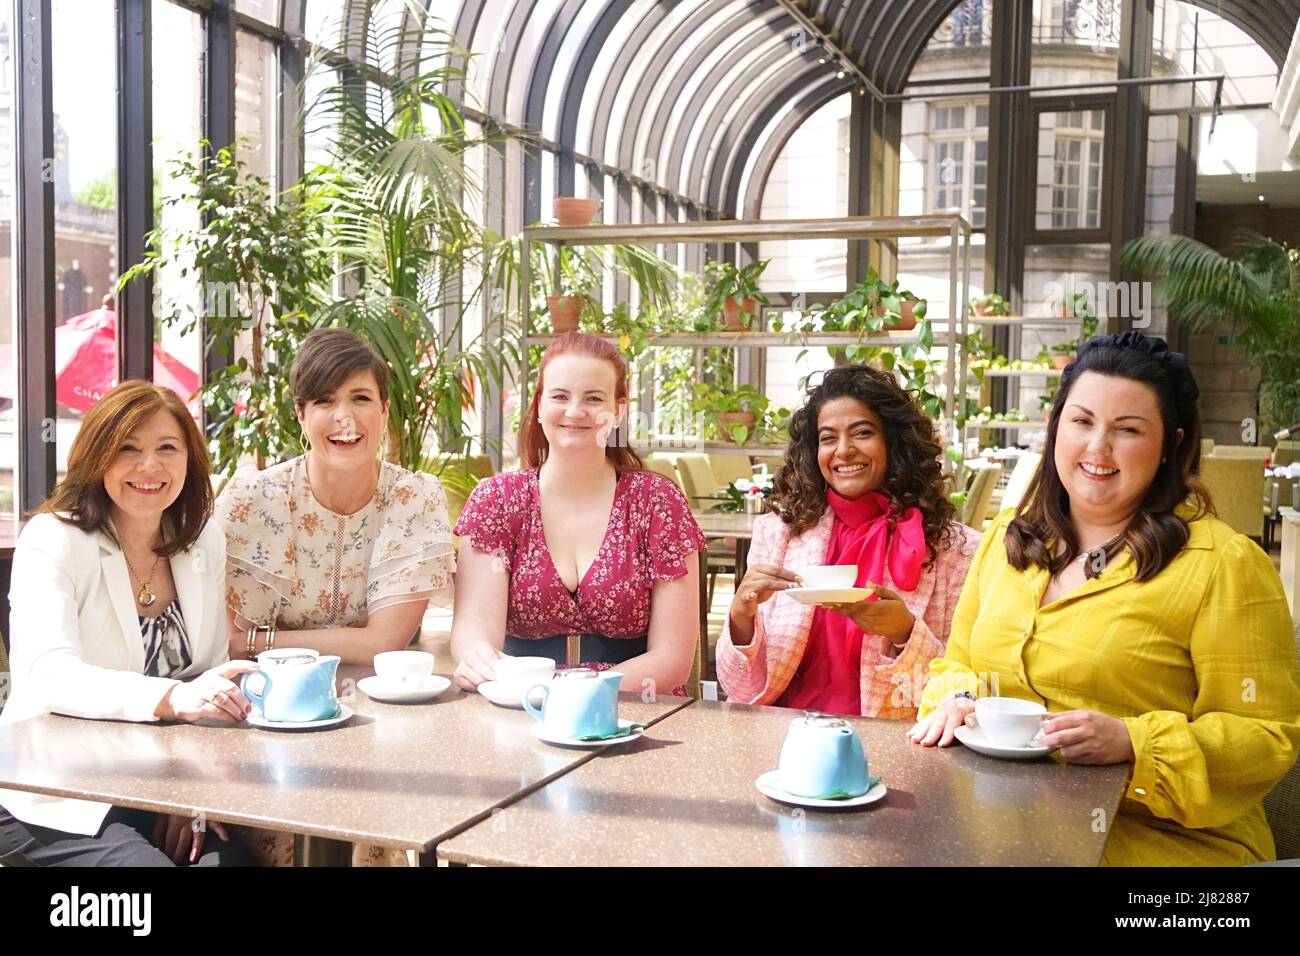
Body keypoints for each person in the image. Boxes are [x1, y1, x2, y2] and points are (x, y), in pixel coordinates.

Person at [910, 332, 1300, 865]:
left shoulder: (1223, 564)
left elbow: (1266, 735)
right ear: (1055, 428)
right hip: (1003, 824)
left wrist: (1135, 744)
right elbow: (957, 662)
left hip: (1156, 842)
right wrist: (959, 700)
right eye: (1082, 421)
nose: (1098, 448)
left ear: (1172, 445)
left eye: (1128, 430)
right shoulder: (1009, 538)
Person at [0, 380, 255, 866]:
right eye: (128, 449)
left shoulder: (203, 540)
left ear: (189, 461)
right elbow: (50, 676)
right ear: (97, 458)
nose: (149, 466)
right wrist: (174, 698)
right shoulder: (52, 539)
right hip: (53, 787)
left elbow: (213, 678)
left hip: (160, 782)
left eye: (167, 448)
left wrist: (191, 791)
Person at [716, 364, 978, 719]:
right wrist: (740, 619)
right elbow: (739, 688)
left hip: (895, 743)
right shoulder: (779, 534)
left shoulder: (955, 550)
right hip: (785, 732)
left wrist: (904, 633)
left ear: (894, 442)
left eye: (862, 433)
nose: (843, 450)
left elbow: (962, 693)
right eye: (827, 438)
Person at [451, 332, 703, 695]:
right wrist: (477, 659)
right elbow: (474, 628)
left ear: (617, 411)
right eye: (560, 397)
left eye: (594, 398)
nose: (574, 411)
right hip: (519, 704)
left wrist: (571, 694)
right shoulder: (497, 500)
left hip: (631, 708)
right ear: (539, 406)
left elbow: (672, 659)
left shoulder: (657, 501)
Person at [216, 328, 454, 665]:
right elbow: (229, 643)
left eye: (360, 398)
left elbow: (383, 644)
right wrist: (244, 645)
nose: (344, 417)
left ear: (384, 410)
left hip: (380, 697)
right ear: (300, 414)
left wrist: (258, 643)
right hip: (270, 696)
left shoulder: (414, 499)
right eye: (325, 400)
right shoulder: (253, 500)